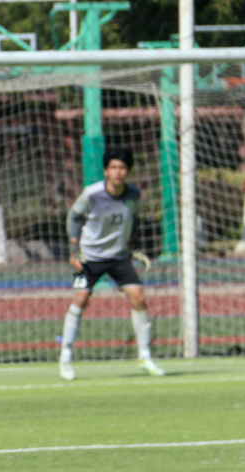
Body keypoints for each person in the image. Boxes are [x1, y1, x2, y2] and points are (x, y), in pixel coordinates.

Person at [59, 146, 165, 381]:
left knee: (139, 297)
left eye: (123, 168)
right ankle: (66, 356)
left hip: (118, 257)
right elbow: (74, 217)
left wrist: (135, 247)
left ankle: (145, 356)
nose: (118, 172)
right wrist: (73, 250)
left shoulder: (133, 195)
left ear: (128, 171)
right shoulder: (92, 194)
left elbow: (133, 220)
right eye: (113, 167)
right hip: (87, 258)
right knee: (81, 298)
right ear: (106, 171)